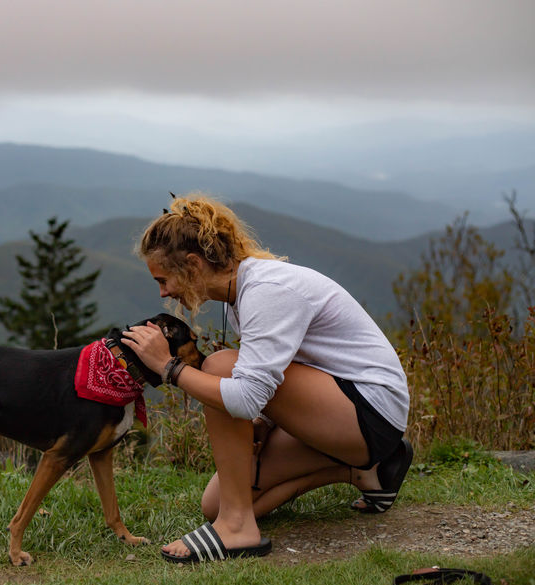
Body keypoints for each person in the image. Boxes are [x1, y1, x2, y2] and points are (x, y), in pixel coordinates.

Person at [121, 194, 412, 563]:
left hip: (369, 411)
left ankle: (238, 529)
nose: (164, 292)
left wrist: (169, 368)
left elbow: (244, 396)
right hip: (340, 414)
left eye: (164, 280)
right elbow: (281, 375)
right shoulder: (240, 294)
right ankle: (362, 471)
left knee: (220, 367)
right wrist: (264, 421)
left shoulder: (267, 291)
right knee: (217, 503)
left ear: (193, 265)